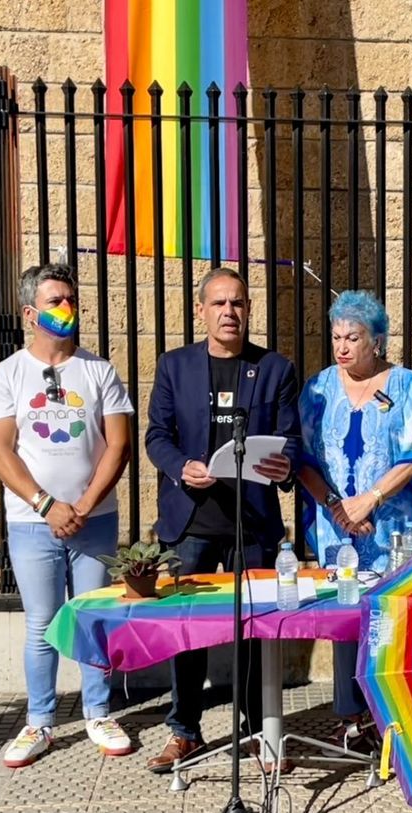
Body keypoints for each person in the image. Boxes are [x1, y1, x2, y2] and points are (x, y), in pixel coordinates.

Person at [142, 267, 300, 773]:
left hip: (250, 523)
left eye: (238, 303)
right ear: (200, 311)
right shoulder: (174, 366)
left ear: (248, 310)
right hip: (190, 523)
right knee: (187, 633)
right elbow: (156, 435)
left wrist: (285, 464)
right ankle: (184, 730)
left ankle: (257, 730)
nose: (229, 312)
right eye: (219, 304)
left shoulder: (275, 368)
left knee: (254, 632)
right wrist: (178, 467)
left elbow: (291, 440)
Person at [0, 264, 137, 766]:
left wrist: (85, 506)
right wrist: (48, 506)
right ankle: (40, 721)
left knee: (93, 618)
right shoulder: (7, 374)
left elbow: (119, 444)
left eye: (70, 298)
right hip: (32, 524)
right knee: (42, 622)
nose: (66, 307)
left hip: (95, 520)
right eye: (55, 301)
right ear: (30, 313)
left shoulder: (99, 371)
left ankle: (98, 711)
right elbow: (1, 452)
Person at [297, 291, 412, 752]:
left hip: (393, 531)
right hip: (337, 526)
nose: (342, 347)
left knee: (393, 620)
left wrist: (371, 499)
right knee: (347, 616)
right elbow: (302, 458)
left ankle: (396, 719)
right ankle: (350, 719)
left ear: (377, 342)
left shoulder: (405, 385)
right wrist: (339, 507)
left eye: (354, 337)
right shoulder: (318, 388)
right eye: (337, 337)